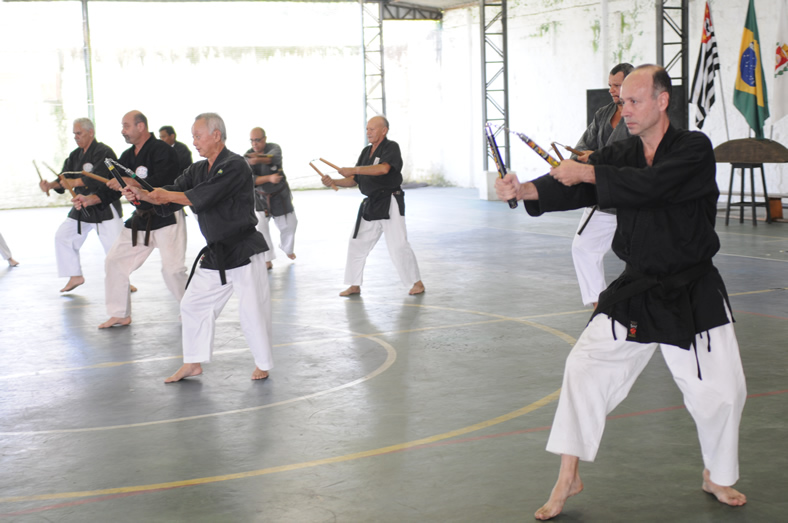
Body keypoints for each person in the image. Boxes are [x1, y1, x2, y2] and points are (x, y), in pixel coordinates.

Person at [495, 65, 747, 520]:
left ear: (662, 101)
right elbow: (576, 187)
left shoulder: (693, 149)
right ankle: (568, 476)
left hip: (692, 287)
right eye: (621, 101)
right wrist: (526, 189)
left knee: (723, 392)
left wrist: (587, 172)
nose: (624, 109)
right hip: (638, 285)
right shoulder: (624, 151)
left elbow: (653, 186)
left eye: (633, 101)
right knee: (584, 368)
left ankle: (716, 474)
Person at [123, 113, 273, 382]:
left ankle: (263, 363)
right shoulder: (197, 170)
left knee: (253, 312)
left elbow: (203, 196)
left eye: (197, 136)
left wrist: (162, 194)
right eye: (192, 136)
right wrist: (141, 197)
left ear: (216, 135)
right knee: (192, 304)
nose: (193, 142)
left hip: (243, 250)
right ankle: (193, 363)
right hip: (216, 253)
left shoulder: (235, 165)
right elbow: (171, 194)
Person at [100, 110, 188, 329]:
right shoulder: (127, 156)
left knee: (173, 271)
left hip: (167, 215)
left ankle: (192, 310)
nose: (123, 131)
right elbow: (113, 187)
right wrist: (91, 199)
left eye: (126, 126)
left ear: (141, 126)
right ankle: (119, 313)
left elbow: (166, 181)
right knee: (115, 261)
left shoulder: (163, 151)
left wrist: (132, 181)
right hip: (141, 218)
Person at [320, 116, 424, 296]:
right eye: (367, 129)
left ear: (384, 130)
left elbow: (383, 169)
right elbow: (353, 180)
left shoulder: (391, 147)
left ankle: (417, 283)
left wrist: (354, 169)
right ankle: (354, 284)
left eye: (372, 129)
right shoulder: (366, 152)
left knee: (398, 245)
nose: (368, 132)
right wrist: (333, 181)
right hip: (371, 203)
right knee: (356, 242)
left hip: (390, 200)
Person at [571, 62, 633, 308]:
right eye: (610, 85)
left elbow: (636, 154)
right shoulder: (603, 114)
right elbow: (582, 146)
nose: (611, 90)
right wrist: (574, 161)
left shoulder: (641, 114)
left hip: (633, 199)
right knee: (583, 248)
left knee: (642, 259)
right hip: (603, 198)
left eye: (617, 85)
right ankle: (600, 306)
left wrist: (596, 157)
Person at [38, 118, 123, 292]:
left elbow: (101, 176)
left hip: (103, 204)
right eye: (74, 134)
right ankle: (75, 275)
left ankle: (123, 280)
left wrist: (76, 181)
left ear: (90, 132)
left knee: (115, 247)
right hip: (82, 205)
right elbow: (64, 178)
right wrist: (50, 185)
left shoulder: (104, 152)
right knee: (63, 236)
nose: (76, 137)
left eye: (79, 133)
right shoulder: (75, 155)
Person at [245, 127, 298, 269]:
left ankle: (287, 248)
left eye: (257, 140)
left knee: (290, 224)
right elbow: (251, 180)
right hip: (260, 198)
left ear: (264, 139)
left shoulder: (274, 148)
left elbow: (272, 158)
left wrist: (258, 159)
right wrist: (269, 178)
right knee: (260, 228)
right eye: (252, 141)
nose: (254, 144)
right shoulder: (247, 156)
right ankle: (267, 259)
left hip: (280, 196)